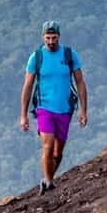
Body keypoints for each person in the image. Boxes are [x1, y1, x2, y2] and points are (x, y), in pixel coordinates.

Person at [19, 20, 88, 194]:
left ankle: (48, 179)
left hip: (65, 109)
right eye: (48, 38)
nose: (51, 41)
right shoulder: (37, 57)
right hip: (44, 108)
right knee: (48, 146)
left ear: (59, 37)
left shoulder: (69, 55)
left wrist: (83, 111)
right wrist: (23, 115)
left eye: (54, 38)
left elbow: (80, 82)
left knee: (58, 152)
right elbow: (27, 86)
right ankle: (49, 182)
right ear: (43, 37)